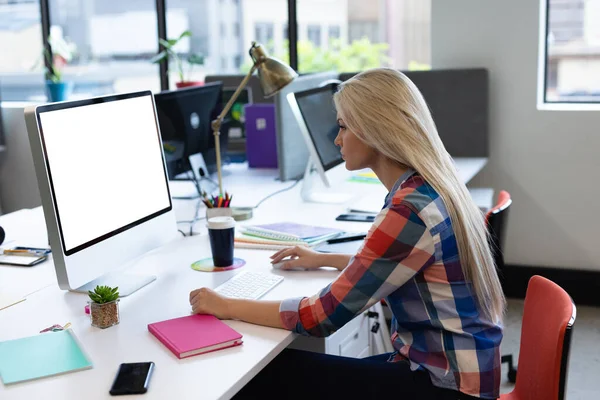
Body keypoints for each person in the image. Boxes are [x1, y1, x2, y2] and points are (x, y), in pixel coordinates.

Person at [189, 68, 505, 399]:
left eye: (342, 126)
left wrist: (226, 306)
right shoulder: (427, 184)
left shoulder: (408, 211)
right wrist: (324, 259)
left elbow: (318, 317)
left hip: (449, 385)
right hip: (459, 369)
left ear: (373, 130)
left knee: (268, 376)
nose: (336, 139)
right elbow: (396, 264)